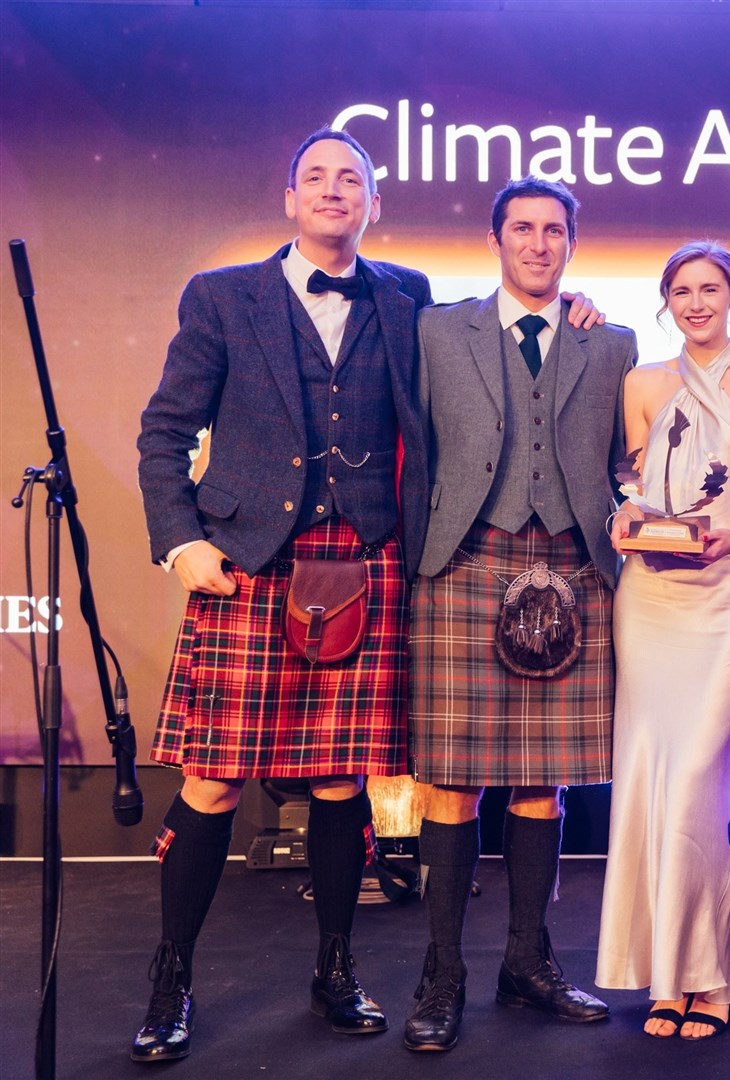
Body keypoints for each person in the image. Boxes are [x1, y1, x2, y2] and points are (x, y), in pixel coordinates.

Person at [132, 128, 432, 1063]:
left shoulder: (408, 296)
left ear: (374, 203)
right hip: (250, 563)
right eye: (317, 177)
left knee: (345, 780)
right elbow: (164, 432)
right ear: (289, 197)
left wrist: (574, 308)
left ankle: (335, 968)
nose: (334, 190)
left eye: (353, 179)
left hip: (364, 558)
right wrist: (180, 541)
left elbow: (484, 349)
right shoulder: (223, 295)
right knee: (212, 777)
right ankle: (170, 977)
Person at [402, 177, 634, 1053]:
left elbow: (625, 461)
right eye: (522, 229)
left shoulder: (609, 343)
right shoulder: (434, 330)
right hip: (462, 563)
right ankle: (442, 972)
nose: (538, 244)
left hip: (572, 567)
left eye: (554, 231)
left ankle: (527, 962)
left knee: (545, 780)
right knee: (454, 782)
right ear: (495, 238)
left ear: (572, 242)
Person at [595, 242, 730, 1040]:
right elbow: (639, 485)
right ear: (665, 301)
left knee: (695, 786)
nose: (694, 302)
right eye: (679, 290)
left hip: (726, 603)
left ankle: (709, 977)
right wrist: (625, 516)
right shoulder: (642, 383)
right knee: (650, 781)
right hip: (648, 600)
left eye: (708, 288)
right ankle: (666, 976)